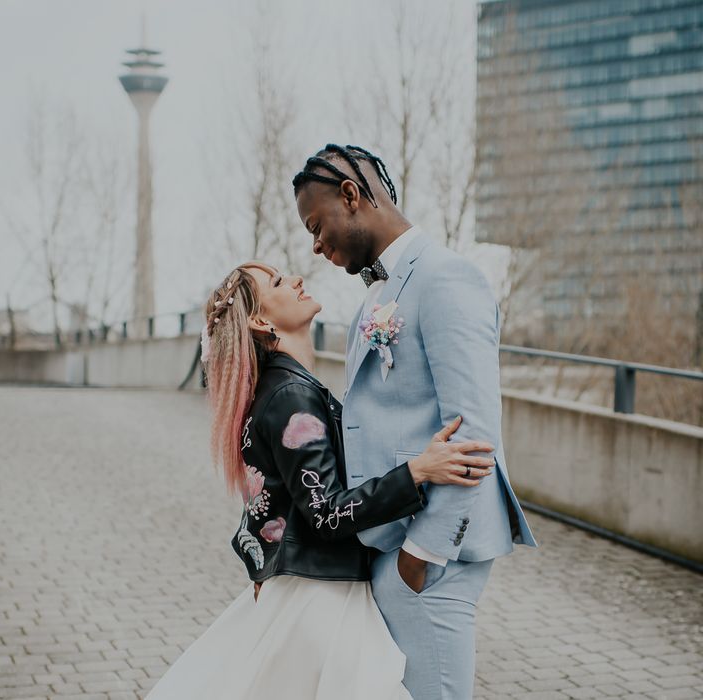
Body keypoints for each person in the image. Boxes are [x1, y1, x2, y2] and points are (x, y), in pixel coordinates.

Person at [144, 261, 497, 700]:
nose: (295, 279)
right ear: (259, 320)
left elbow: (272, 498)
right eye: (277, 282)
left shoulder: (277, 390)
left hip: (307, 587)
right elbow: (326, 513)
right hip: (325, 598)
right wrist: (417, 472)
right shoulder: (291, 396)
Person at [292, 144, 538, 700]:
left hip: (429, 559)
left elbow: (473, 434)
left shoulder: (448, 278)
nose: (315, 244)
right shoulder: (376, 295)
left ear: (351, 197)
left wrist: (420, 558)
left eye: (316, 224)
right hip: (392, 545)